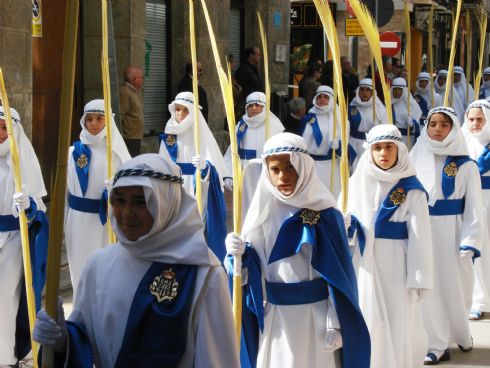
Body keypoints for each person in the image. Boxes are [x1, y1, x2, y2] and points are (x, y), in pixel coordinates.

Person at [33, 154, 240, 367]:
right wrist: (60, 341)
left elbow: (216, 359)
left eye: (141, 202)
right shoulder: (97, 265)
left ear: (167, 203)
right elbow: (83, 343)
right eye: (120, 201)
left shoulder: (203, 273)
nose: (127, 213)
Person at [225, 132, 370, 368]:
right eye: (275, 169)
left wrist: (336, 322)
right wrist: (236, 257)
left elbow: (341, 277)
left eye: (290, 167)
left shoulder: (326, 213)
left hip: (316, 318)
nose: (283, 176)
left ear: (304, 165)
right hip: (277, 319)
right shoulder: (261, 214)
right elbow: (250, 276)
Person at [346, 124, 433, 368]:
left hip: (397, 263)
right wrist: (346, 226)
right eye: (377, 148)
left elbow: (420, 237)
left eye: (389, 147)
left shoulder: (411, 189)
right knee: (367, 314)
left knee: (397, 317)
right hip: (364, 263)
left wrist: (418, 277)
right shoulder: (356, 182)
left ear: (400, 151)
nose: (383, 153)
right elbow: (347, 224)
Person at [410, 106, 485, 365]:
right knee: (430, 287)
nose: (438, 129)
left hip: (452, 234)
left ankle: (461, 333)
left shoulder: (465, 164)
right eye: (433, 124)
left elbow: (475, 206)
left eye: (444, 124)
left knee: (456, 289)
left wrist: (471, 240)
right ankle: (437, 343)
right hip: (422, 231)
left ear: (453, 128)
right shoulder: (414, 156)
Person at [65, 99, 131, 297]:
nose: (94, 124)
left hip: (107, 221)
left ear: (108, 121)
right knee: (80, 269)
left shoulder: (117, 155)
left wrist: (116, 191)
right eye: (89, 119)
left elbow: (132, 189)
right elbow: (66, 193)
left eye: (99, 119)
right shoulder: (72, 153)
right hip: (78, 220)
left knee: (105, 270)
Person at [0, 106, 48, 366]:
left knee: (6, 298)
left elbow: (40, 210)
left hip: (14, 241)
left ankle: (7, 355)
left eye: (5, 127)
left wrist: (28, 206)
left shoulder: (23, 161)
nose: (0, 133)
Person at [159, 92, 227, 260]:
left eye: (185, 110)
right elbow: (161, 163)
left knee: (194, 225)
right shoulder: (169, 136)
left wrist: (205, 167)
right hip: (174, 187)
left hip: (196, 187)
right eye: (177, 110)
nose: (180, 114)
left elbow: (214, 167)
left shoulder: (201, 134)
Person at [462, 100, 490, 320]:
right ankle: (478, 299)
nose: (475, 123)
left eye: (480, 119)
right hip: (473, 200)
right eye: (471, 119)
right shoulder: (461, 142)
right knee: (477, 246)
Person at [299, 85, 353, 198]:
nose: (322, 99)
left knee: (331, 195)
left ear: (331, 100)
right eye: (319, 97)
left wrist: (338, 146)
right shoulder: (307, 119)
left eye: (326, 97)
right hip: (311, 165)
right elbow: (300, 141)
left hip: (331, 165)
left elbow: (346, 145)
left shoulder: (340, 120)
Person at [348, 78, 387, 169]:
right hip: (353, 143)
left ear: (372, 92)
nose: (364, 93)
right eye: (362, 90)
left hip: (371, 144)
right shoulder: (352, 107)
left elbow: (385, 127)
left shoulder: (379, 109)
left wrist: (377, 128)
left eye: (368, 90)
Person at [391, 77, 423, 149]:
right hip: (393, 139)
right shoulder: (389, 104)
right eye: (395, 89)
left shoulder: (411, 104)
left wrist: (412, 124)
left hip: (408, 140)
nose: (396, 91)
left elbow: (417, 126)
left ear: (404, 90)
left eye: (399, 89)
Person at [120, 65, 144, 157]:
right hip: (129, 138)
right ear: (135, 79)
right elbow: (120, 114)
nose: (142, 80)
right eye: (141, 77)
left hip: (135, 136)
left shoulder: (133, 91)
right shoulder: (125, 92)